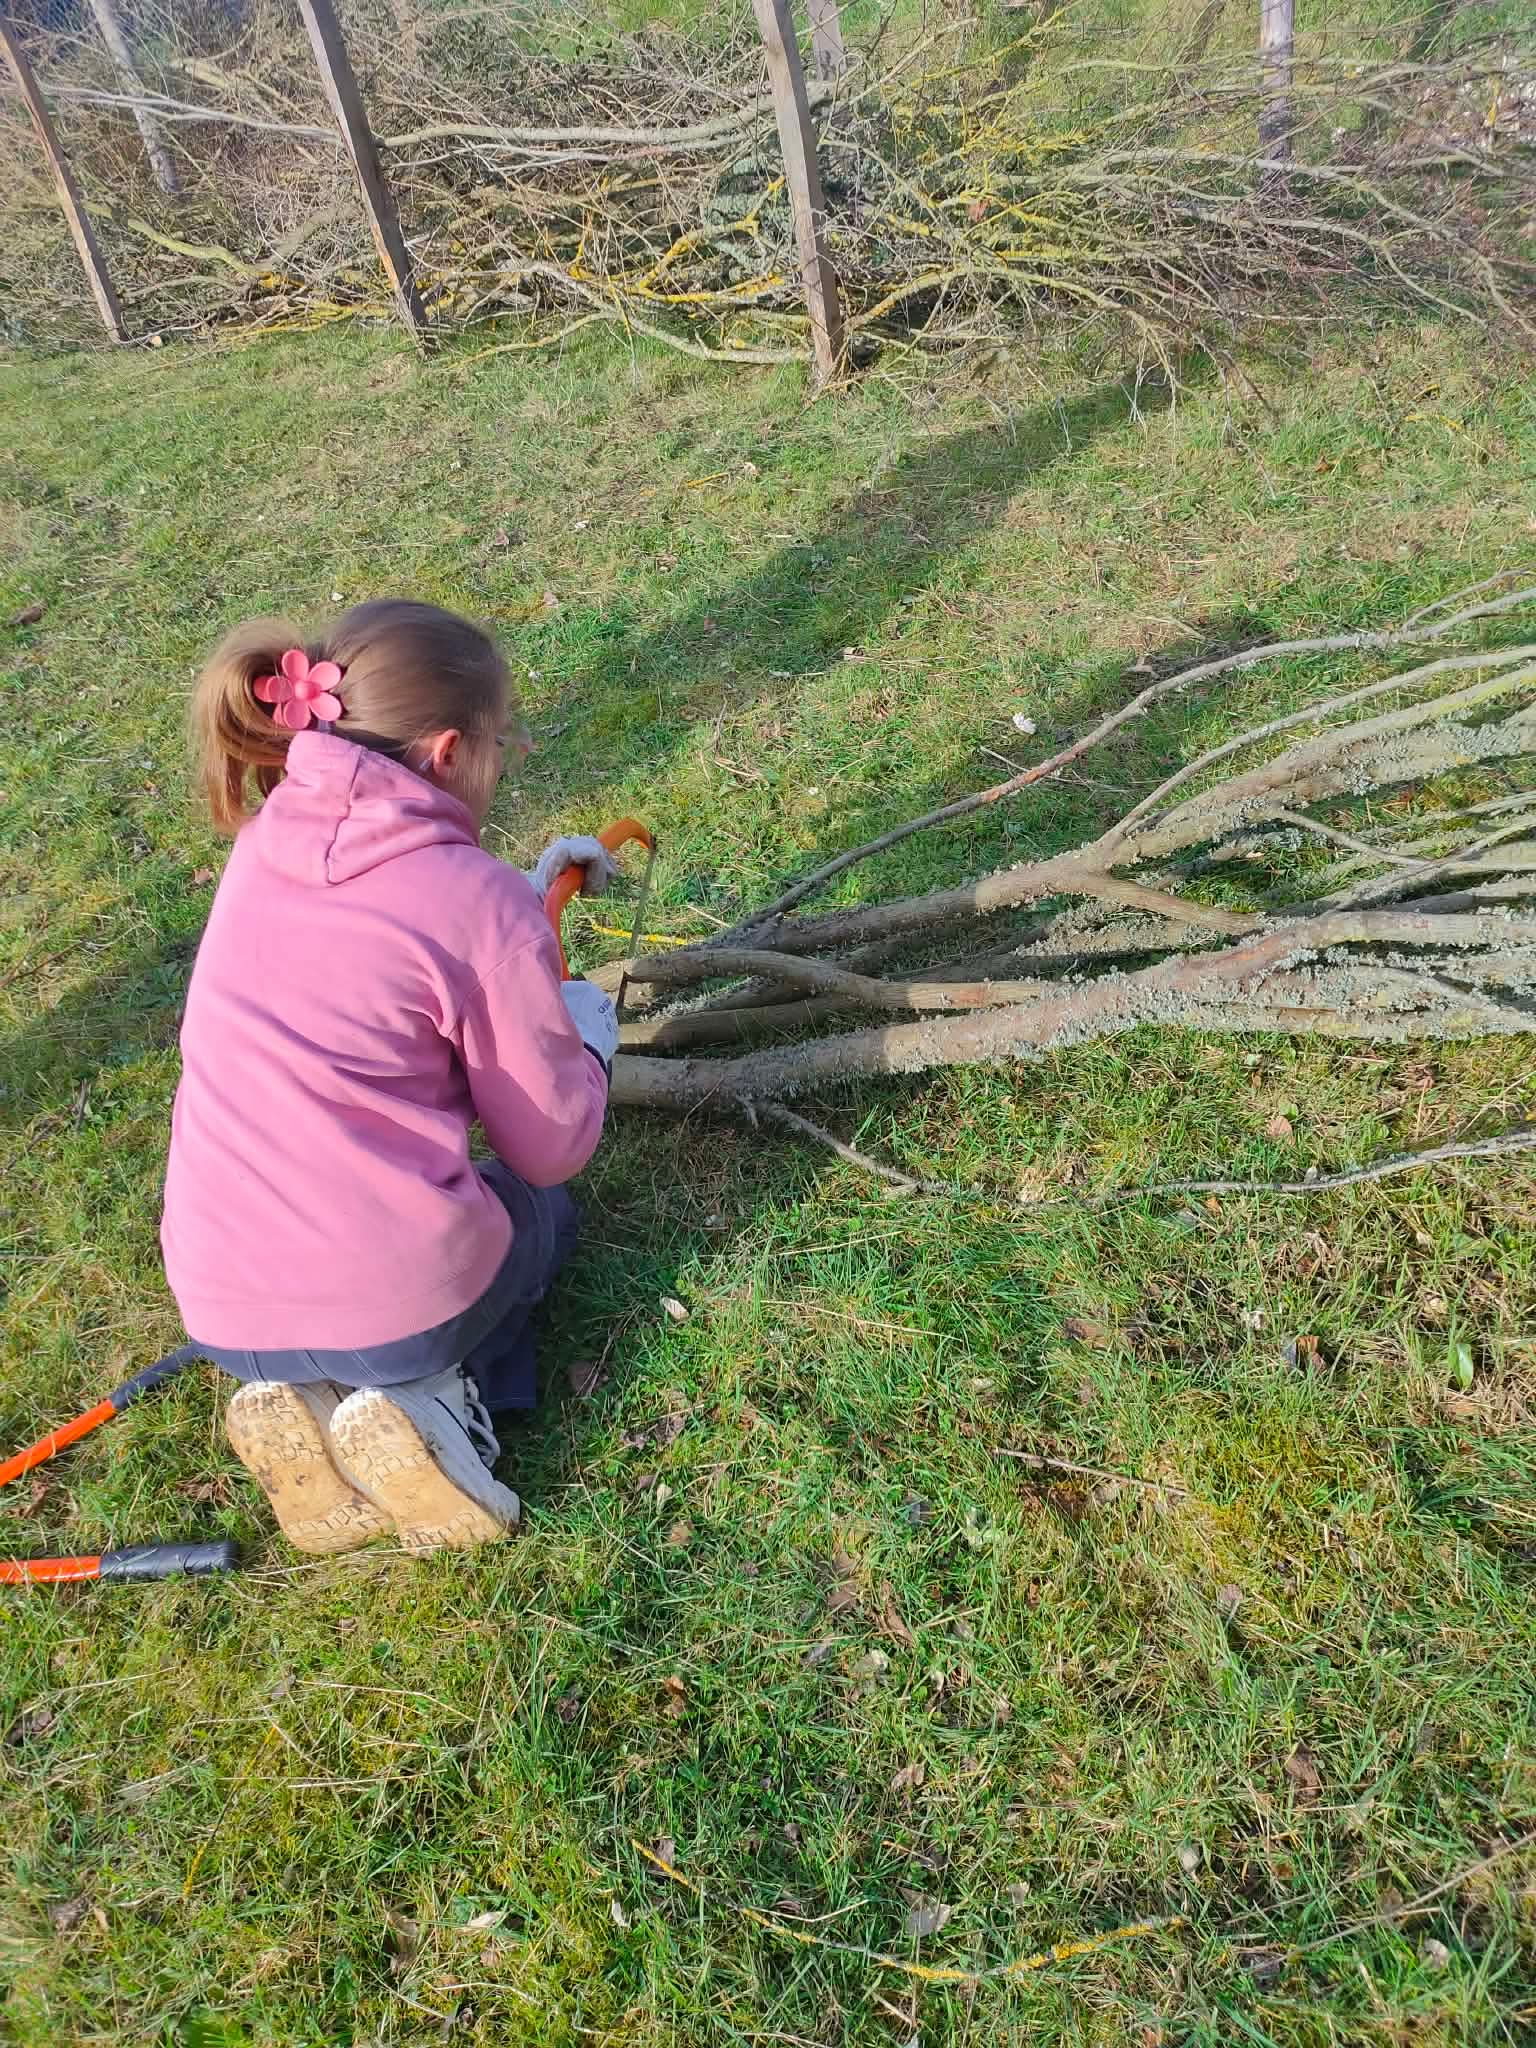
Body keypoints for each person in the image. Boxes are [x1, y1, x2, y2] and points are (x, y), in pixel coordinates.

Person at [161, 600, 620, 1556]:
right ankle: (437, 1411)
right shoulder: (475, 903)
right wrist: (586, 1044)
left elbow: (392, 949)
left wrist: (522, 906)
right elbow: (548, 1146)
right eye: (502, 746)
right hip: (391, 1289)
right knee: (539, 1216)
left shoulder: (263, 845)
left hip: (219, 1297)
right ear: (450, 752)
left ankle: (310, 1398)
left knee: (345, 1286)